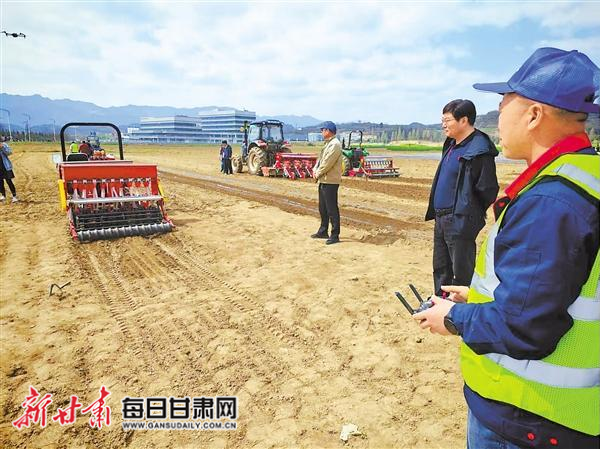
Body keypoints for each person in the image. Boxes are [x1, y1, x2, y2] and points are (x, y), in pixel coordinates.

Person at [413, 48, 600, 448]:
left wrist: (454, 318)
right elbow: (555, 289)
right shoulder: (583, 175)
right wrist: (478, 296)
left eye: (503, 103)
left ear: (534, 115)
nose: (497, 116)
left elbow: (525, 327)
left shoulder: (551, 202)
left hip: (527, 419)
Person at [426, 99, 499, 296]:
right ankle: (441, 300)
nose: (443, 125)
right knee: (441, 266)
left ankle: (460, 306)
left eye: (447, 120)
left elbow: (487, 189)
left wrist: (469, 212)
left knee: (461, 270)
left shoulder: (479, 149)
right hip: (442, 217)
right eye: (442, 120)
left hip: (460, 218)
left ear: (464, 120)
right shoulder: (451, 144)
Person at [311, 121, 342, 245]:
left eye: (322, 130)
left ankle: (335, 235)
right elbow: (320, 160)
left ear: (328, 131)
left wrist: (317, 173)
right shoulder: (328, 143)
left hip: (330, 181)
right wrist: (315, 169)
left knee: (331, 208)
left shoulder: (335, 144)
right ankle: (323, 231)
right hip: (324, 179)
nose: (321, 132)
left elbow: (328, 163)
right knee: (322, 207)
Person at [1, 136, 18, 203]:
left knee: (9, 181)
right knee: (0, 182)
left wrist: (2, 147)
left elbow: (9, 152)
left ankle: (14, 196)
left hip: (5, 166)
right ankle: (3, 195)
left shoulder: (4, 144)